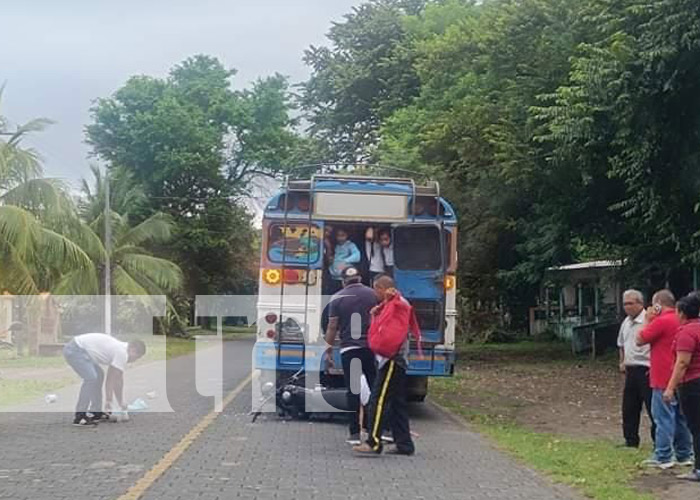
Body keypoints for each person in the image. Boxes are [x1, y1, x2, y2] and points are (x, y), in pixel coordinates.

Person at [354, 275, 417, 456]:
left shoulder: (398, 302)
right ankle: (405, 444)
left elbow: (392, 327)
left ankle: (374, 442)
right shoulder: (393, 304)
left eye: (376, 290)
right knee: (397, 403)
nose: (375, 294)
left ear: (382, 288)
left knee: (378, 400)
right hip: (396, 360)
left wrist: (389, 300)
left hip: (392, 359)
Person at [637, 289, 694, 468]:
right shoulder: (682, 320)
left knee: (662, 417)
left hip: (662, 376)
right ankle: (684, 453)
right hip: (681, 376)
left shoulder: (661, 321)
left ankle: (663, 455)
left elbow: (640, 339)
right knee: (681, 418)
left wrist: (647, 320)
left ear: (657, 305)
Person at [324, 266, 379, 445]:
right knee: (375, 388)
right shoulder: (373, 295)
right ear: (360, 278)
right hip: (371, 348)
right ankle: (378, 429)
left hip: (350, 350)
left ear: (343, 281)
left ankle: (354, 433)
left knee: (353, 391)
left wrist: (328, 349)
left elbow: (332, 327)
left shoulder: (338, 297)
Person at [63, 333, 147, 426]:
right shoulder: (122, 353)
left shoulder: (122, 349)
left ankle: (96, 412)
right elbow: (111, 379)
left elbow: (118, 379)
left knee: (99, 376)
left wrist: (121, 402)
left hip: (81, 350)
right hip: (76, 349)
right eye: (137, 357)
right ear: (133, 349)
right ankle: (80, 416)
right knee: (91, 378)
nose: (134, 360)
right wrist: (109, 401)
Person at [663, 292, 700, 481]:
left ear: (682, 312)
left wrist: (670, 387)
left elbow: (682, 363)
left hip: (692, 384)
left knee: (696, 427)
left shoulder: (687, 332)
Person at [617, 289, 656, 448]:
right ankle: (630, 440)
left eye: (630, 303)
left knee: (652, 407)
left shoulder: (649, 320)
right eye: (625, 304)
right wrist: (622, 361)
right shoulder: (626, 322)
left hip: (646, 368)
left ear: (640, 304)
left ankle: (658, 442)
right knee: (629, 407)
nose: (627, 307)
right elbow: (621, 344)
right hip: (631, 368)